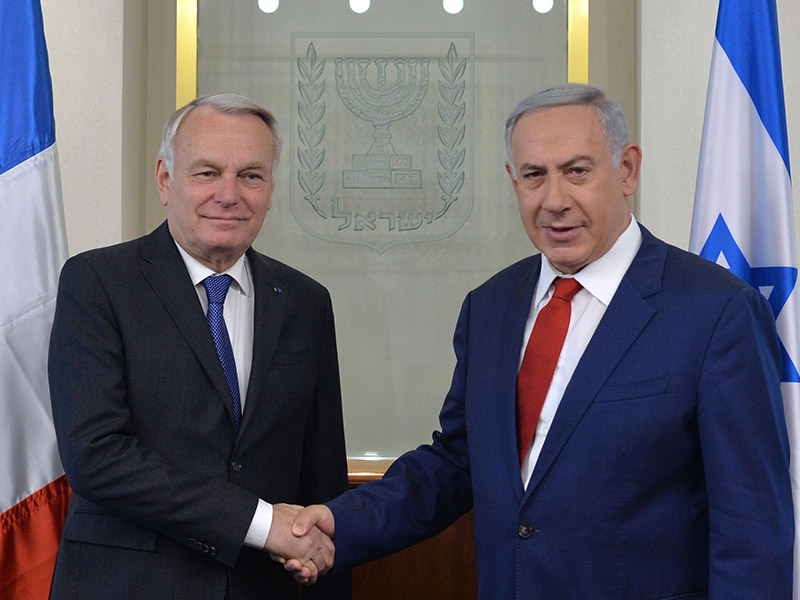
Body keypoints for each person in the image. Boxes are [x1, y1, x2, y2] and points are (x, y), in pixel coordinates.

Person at [285, 84, 794, 599]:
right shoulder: (490, 307)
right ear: (513, 181)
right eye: (534, 176)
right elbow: (458, 461)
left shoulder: (715, 311)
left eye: (577, 171)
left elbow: (752, 530)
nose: (554, 200)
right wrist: (336, 522)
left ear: (627, 170)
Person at [48, 94, 350, 599]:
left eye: (251, 175)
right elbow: (95, 456)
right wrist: (260, 523)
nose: (229, 195)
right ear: (166, 180)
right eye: (207, 173)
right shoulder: (97, 282)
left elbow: (322, 474)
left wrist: (320, 559)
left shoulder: (305, 301)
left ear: (271, 189)